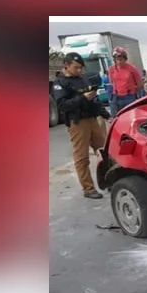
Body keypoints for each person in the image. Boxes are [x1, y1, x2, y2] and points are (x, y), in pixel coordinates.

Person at [53, 52, 110, 199]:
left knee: (104, 152)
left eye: (81, 68)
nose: (79, 70)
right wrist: (81, 98)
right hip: (77, 123)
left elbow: (94, 100)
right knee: (82, 157)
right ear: (67, 65)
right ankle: (88, 188)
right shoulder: (60, 83)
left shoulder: (83, 79)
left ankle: (110, 181)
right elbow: (62, 105)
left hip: (92, 119)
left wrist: (106, 115)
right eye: (76, 67)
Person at [106, 46, 144, 118]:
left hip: (129, 97)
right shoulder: (111, 69)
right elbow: (112, 82)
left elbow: (140, 84)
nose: (119, 62)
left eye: (121, 59)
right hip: (116, 97)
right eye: (117, 60)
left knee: (131, 117)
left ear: (125, 58)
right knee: (116, 118)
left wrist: (132, 90)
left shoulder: (132, 68)